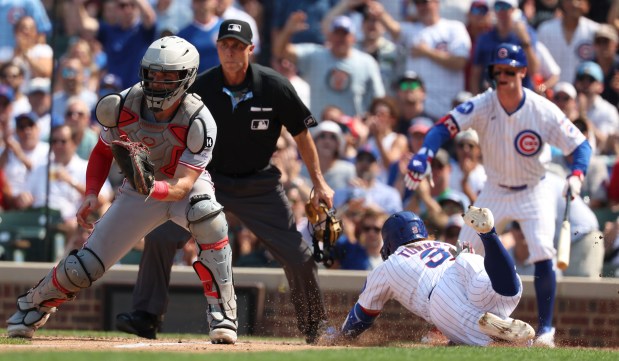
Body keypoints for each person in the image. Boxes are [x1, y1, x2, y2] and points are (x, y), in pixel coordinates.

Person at [5, 36, 240, 344]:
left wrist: (151, 186)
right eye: (154, 73)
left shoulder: (199, 119)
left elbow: (182, 185)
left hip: (181, 185)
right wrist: (91, 192)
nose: (158, 82)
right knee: (84, 265)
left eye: (168, 75)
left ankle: (223, 311)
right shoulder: (122, 105)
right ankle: (32, 306)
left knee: (207, 216)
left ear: (187, 77)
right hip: (140, 190)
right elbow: (103, 151)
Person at [115, 19, 335, 344]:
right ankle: (147, 316)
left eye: (236, 46)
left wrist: (319, 181)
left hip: (258, 183)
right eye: (224, 45)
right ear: (217, 48)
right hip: (207, 179)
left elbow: (301, 135)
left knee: (298, 255)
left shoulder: (274, 86)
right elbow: (172, 130)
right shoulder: (199, 87)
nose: (230, 52)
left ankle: (314, 325)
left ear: (250, 49)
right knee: (161, 236)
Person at [403, 43, 592, 347]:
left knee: (543, 251)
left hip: (534, 188)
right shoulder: (483, 103)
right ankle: (444, 324)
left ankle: (545, 332)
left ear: (522, 72)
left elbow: (580, 145)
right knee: (463, 250)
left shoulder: (541, 109)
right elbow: (442, 127)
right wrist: (424, 154)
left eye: (509, 71)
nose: (502, 76)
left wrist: (577, 174)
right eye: (497, 71)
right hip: (493, 188)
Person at [330, 206, 535, 346]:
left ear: (390, 242)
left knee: (485, 339)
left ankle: (488, 329)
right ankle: (489, 235)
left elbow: (362, 315)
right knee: (506, 293)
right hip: (466, 262)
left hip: (440, 296)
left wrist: (340, 337)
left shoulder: (389, 264)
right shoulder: (444, 244)